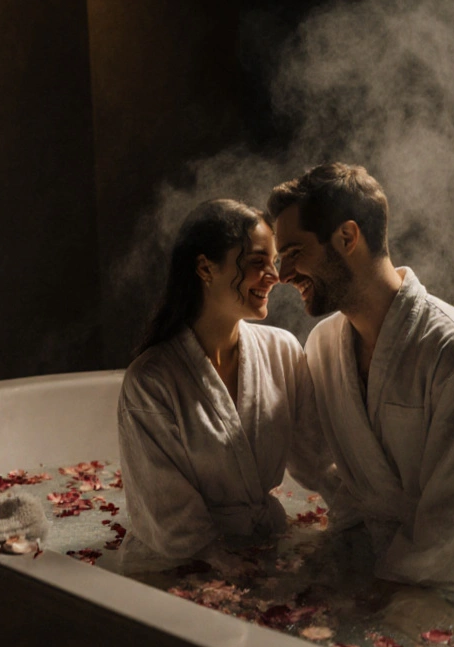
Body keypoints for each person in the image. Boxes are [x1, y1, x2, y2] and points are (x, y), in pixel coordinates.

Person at [267, 162, 454, 597]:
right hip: (368, 564)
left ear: (347, 238)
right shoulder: (323, 346)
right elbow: (322, 467)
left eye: (295, 252)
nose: (282, 275)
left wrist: (393, 596)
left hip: (444, 586)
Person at [116, 198, 335, 572]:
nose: (276, 276)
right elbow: (168, 511)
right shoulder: (151, 381)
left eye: (275, 261)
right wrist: (223, 560)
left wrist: (370, 519)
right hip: (179, 563)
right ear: (205, 268)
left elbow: (318, 461)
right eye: (256, 263)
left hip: (261, 545)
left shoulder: (282, 351)